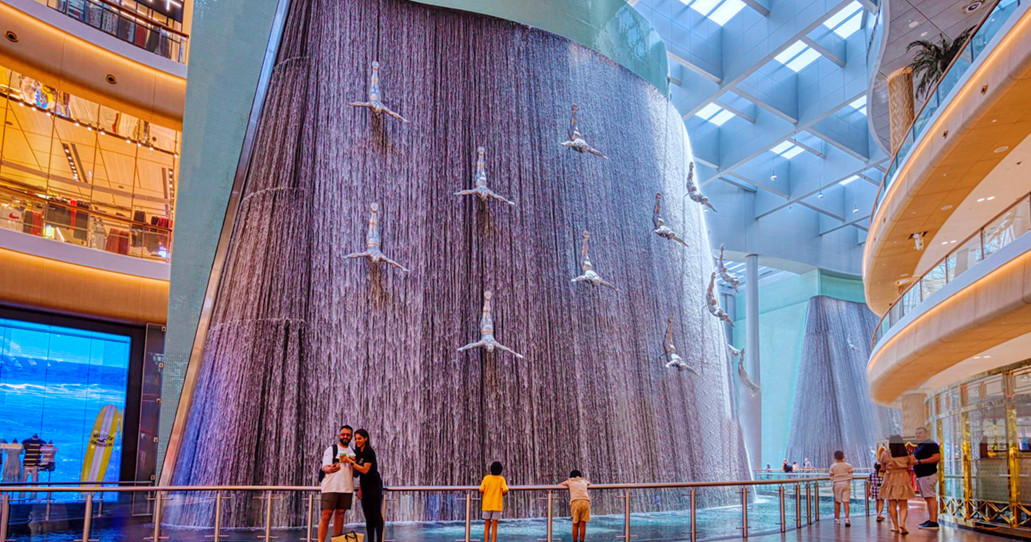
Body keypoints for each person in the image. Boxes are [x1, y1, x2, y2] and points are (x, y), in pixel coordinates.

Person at [318, 426, 355, 542]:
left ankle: (337, 540)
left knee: (340, 514)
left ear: (351, 437)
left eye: (348, 435)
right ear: (339, 435)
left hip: (347, 487)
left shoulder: (353, 451)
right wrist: (330, 469)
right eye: (343, 434)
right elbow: (325, 467)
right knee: (326, 515)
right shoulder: (331, 449)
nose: (345, 436)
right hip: (330, 487)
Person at [880, 435, 917, 534]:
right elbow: (910, 467)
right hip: (903, 478)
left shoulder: (885, 454)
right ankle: (902, 524)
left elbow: (882, 468)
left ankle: (896, 526)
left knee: (892, 504)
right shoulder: (908, 454)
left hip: (890, 478)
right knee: (903, 504)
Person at [352, 429, 384, 542]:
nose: (357, 441)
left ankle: (379, 540)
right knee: (368, 516)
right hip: (365, 486)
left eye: (359, 438)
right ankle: (370, 540)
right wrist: (360, 489)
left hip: (374, 485)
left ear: (366, 438)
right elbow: (359, 474)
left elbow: (365, 470)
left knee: (376, 514)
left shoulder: (369, 451)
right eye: (355, 439)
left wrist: (351, 462)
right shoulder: (358, 452)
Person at [913, 427, 941, 530]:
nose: (918, 435)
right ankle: (931, 520)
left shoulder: (930, 444)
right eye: (916, 433)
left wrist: (920, 462)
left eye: (920, 433)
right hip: (922, 475)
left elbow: (937, 457)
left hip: (928, 475)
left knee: (930, 497)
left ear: (926, 433)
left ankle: (934, 522)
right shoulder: (920, 446)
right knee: (927, 498)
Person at [479, 461, 508, 542]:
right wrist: (501, 493)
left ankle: (486, 541)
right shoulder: (501, 479)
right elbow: (505, 490)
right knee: (494, 526)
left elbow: (481, 490)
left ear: (490, 470)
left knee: (486, 525)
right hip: (497, 505)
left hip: (487, 505)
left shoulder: (486, 478)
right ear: (500, 471)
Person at [560, 469, 590, 542]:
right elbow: (589, 483)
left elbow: (561, 484)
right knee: (583, 523)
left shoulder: (570, 481)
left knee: (575, 523)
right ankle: (582, 541)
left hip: (576, 502)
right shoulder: (584, 481)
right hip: (586, 501)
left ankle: (575, 541)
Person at [829, 450, 854, 526]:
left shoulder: (833, 466)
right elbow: (851, 474)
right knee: (846, 502)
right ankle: (847, 518)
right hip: (846, 483)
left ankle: (837, 519)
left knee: (837, 502)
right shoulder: (848, 465)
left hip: (837, 484)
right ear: (843, 456)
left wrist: (835, 479)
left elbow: (831, 476)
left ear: (834, 457)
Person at [22, 433, 44, 498]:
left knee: (25, 481)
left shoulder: (26, 442)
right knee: (33, 481)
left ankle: (23, 497)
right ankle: (32, 497)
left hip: (29, 463)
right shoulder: (41, 442)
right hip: (33, 464)